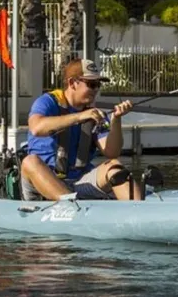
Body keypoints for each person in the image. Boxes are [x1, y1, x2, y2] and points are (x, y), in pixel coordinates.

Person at [20, 58, 144, 201]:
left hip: (79, 182)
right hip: (44, 182)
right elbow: (36, 128)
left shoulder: (95, 114)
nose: (96, 89)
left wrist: (116, 119)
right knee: (30, 161)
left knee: (115, 167)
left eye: (98, 84)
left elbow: (112, 152)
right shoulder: (48, 102)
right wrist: (79, 116)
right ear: (73, 83)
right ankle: (70, 207)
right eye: (91, 84)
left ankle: (137, 211)